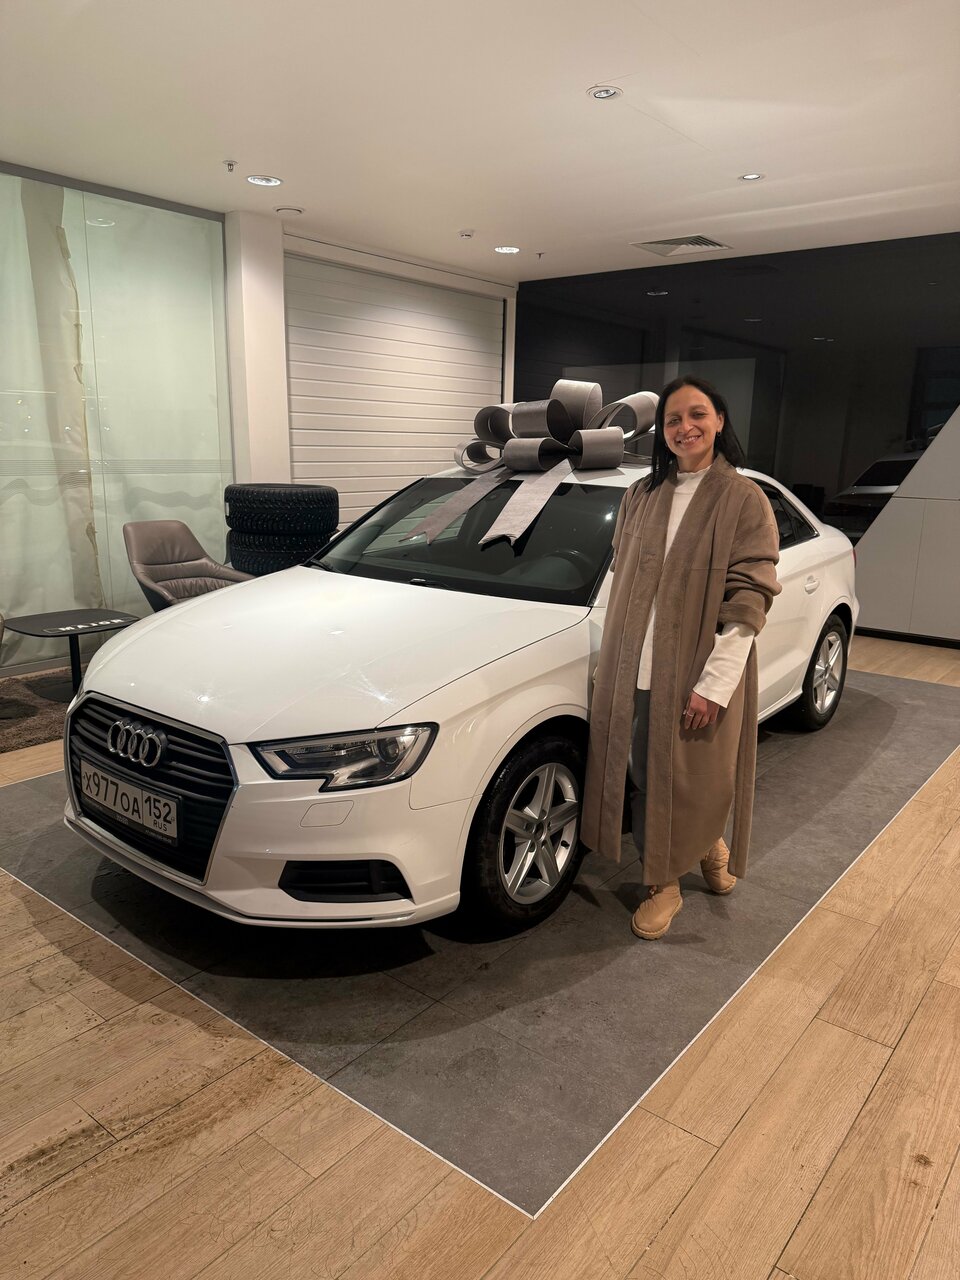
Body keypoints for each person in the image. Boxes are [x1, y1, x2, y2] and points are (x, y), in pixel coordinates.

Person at [581, 375, 781, 940]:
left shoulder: (743, 499)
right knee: (648, 775)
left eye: (697, 414)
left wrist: (714, 685)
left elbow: (748, 602)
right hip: (635, 666)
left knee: (695, 776)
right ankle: (670, 872)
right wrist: (609, 659)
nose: (684, 427)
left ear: (719, 420)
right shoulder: (642, 496)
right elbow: (618, 581)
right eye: (672, 419)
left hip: (697, 669)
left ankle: (679, 866)